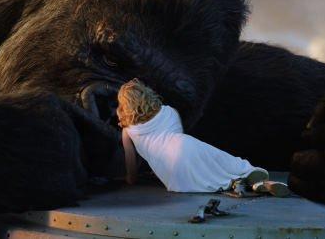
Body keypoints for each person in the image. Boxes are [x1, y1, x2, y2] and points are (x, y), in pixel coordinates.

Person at [117, 78, 289, 197]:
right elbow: (177, 135)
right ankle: (256, 180)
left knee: (214, 184)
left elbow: (131, 166)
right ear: (147, 94)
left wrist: (130, 179)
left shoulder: (128, 131)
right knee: (230, 167)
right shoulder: (169, 111)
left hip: (172, 171)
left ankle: (251, 185)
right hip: (186, 146)